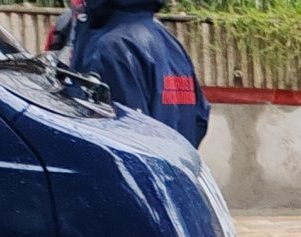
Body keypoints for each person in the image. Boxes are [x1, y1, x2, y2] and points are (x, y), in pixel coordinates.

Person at [71, 0, 211, 148]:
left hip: (140, 166)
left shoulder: (111, 48)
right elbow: (200, 117)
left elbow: (122, 135)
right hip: (180, 164)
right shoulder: (170, 43)